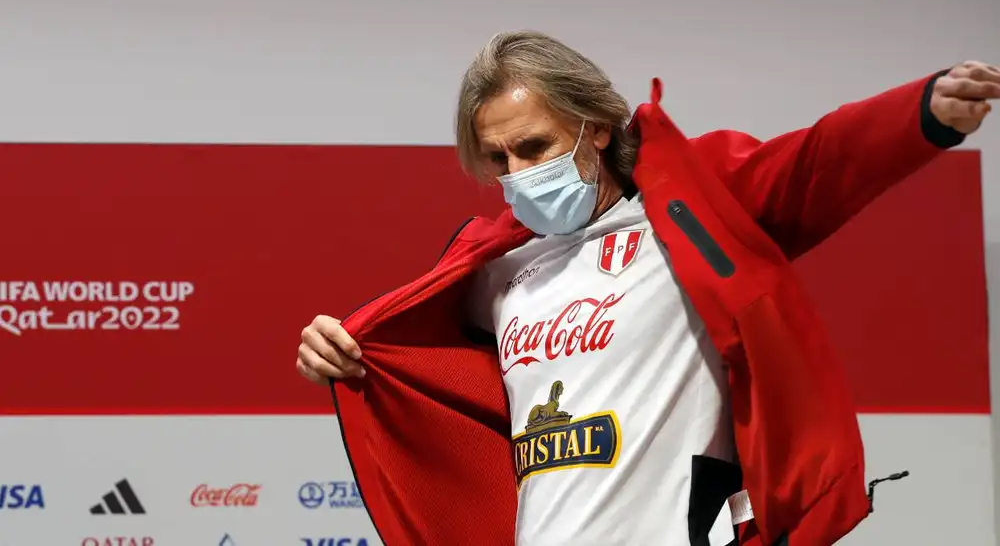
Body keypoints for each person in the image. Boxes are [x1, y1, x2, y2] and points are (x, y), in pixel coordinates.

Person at [296, 31, 998, 546]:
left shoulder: (687, 214)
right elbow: (406, 349)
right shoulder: (498, 273)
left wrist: (921, 116)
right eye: (498, 158)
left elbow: (811, 167)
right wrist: (338, 347)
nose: (515, 171)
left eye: (534, 146)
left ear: (595, 127)